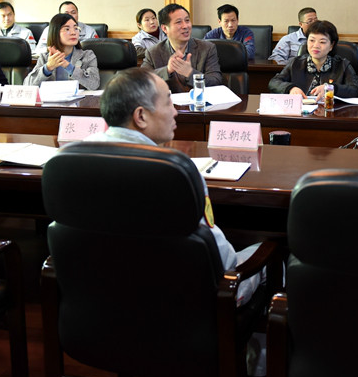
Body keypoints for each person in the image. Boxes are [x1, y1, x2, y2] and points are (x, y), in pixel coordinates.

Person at [84, 67, 261, 307]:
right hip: (179, 305)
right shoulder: (176, 172)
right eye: (169, 102)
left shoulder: (69, 160)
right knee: (270, 256)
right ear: (141, 116)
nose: (176, 111)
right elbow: (223, 261)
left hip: (99, 299)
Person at [268, 20, 358, 99]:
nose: (316, 46)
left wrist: (330, 88)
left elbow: (355, 90)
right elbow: (274, 82)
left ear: (331, 45)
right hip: (301, 112)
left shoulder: (343, 65)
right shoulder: (296, 63)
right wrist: (291, 88)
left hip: (330, 112)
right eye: (312, 40)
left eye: (322, 42)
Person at [142, 3, 223, 93]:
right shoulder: (153, 52)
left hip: (198, 100)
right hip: (168, 101)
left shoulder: (207, 48)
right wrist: (167, 70)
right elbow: (141, 81)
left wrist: (190, 73)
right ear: (164, 28)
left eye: (187, 20)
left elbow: (216, 81)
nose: (185, 26)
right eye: (179, 22)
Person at [24, 12, 100, 90]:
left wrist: (68, 66)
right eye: (67, 29)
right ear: (55, 32)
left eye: (76, 28)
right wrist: (47, 68)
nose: (73, 33)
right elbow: (27, 85)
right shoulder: (45, 57)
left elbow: (94, 84)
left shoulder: (87, 56)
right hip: (51, 97)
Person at [35, 1, 99, 52]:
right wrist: (58, 52)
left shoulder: (90, 31)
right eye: (66, 14)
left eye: (73, 13)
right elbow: (39, 50)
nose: (70, 16)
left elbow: (97, 51)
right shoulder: (50, 29)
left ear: (78, 14)